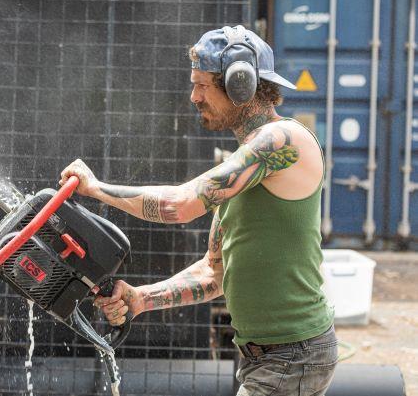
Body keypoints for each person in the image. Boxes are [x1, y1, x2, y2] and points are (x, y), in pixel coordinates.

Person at [59, 25, 337, 396]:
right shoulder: (248, 164)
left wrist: (95, 189)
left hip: (293, 354)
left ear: (241, 85)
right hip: (266, 356)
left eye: (203, 85)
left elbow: (180, 205)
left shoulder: (281, 140)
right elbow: (214, 271)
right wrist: (142, 298)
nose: (193, 97)